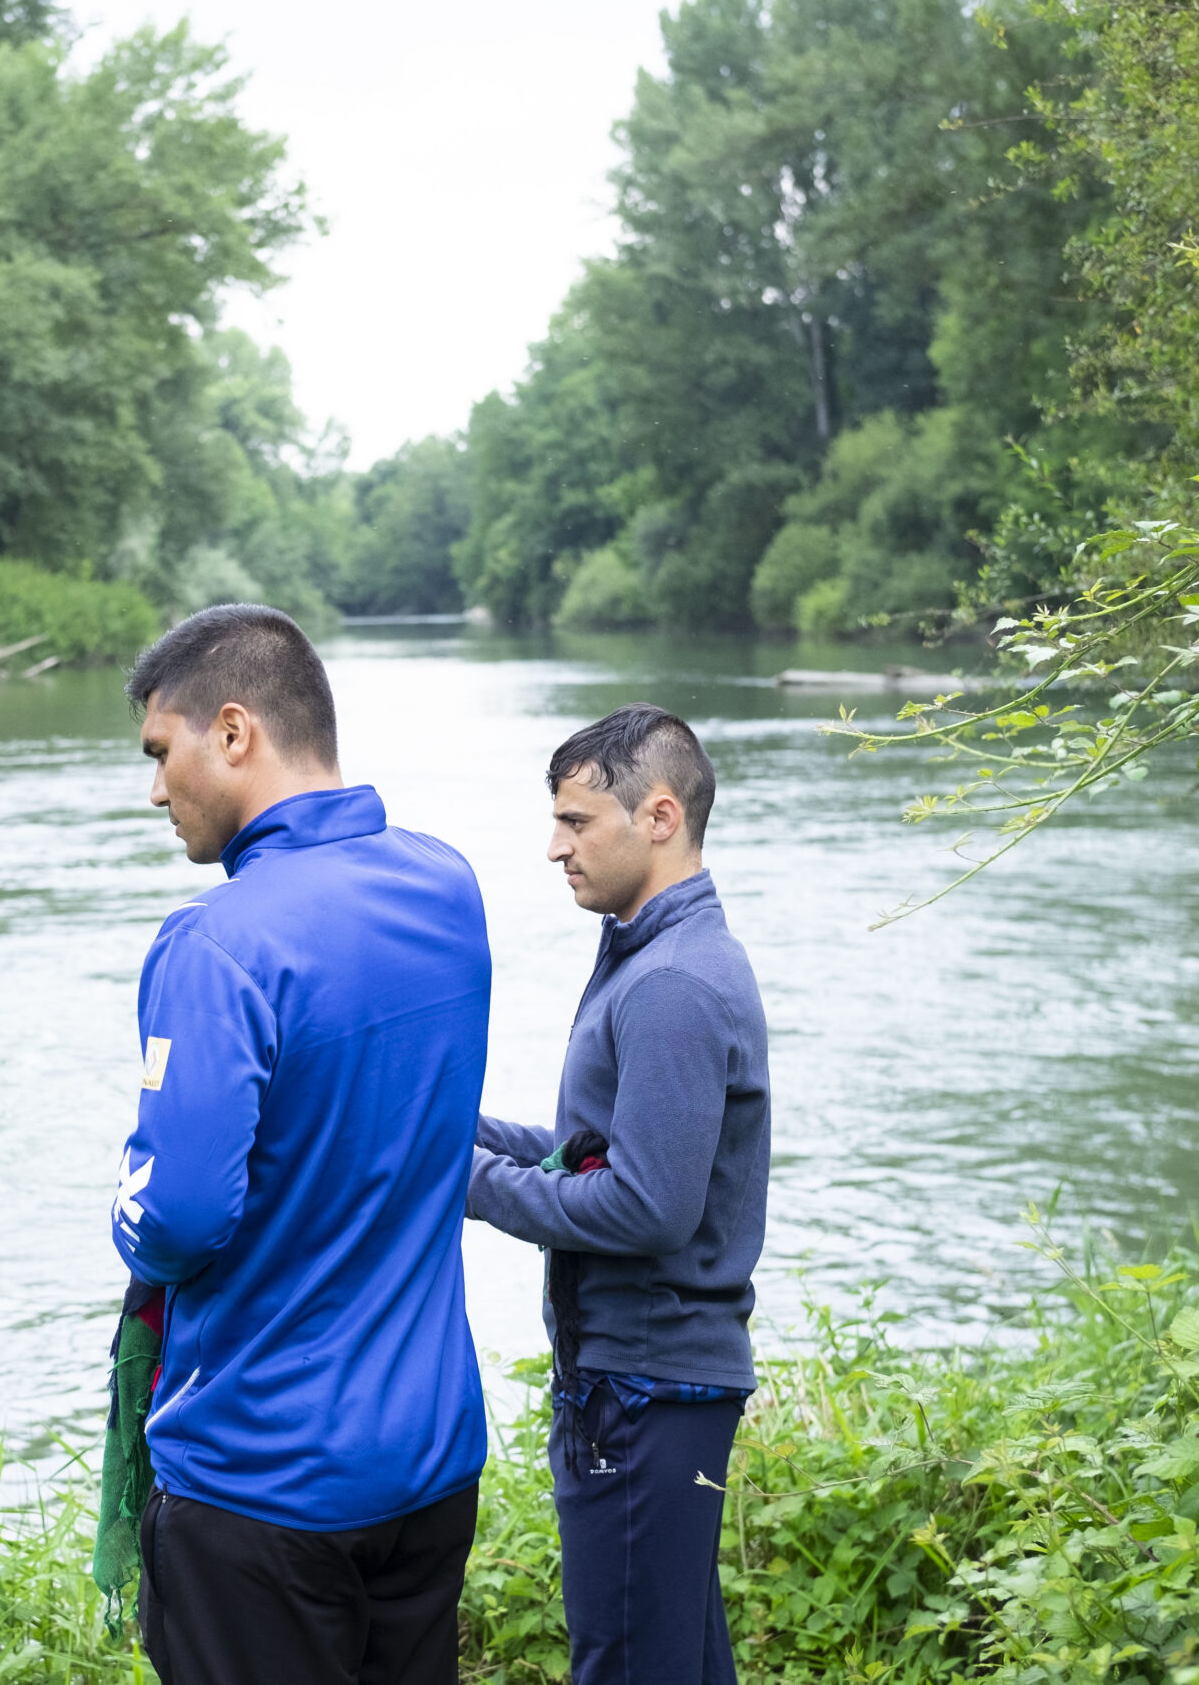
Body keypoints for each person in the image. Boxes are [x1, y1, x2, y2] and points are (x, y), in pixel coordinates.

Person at [110, 604, 493, 1685]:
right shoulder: (446, 885)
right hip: (426, 1459)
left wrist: (124, 1207)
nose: (153, 791)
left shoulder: (215, 941)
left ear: (233, 733)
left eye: (160, 751)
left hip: (260, 1481)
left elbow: (175, 1215)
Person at [467, 703, 770, 1685]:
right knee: (675, 1662)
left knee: (630, 1667)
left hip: (646, 1392)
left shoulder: (673, 985)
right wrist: (446, 1129)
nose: (554, 848)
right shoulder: (651, 957)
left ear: (660, 817)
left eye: (576, 821)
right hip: (647, 1388)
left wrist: (459, 1183)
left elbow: (644, 1208)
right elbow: (585, 1155)